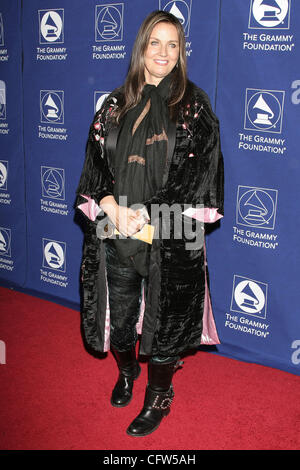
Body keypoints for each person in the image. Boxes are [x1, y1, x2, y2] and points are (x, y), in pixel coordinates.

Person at [76, 10, 224, 437]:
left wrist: (150, 215)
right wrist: (108, 202)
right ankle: (125, 372)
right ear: (141, 47)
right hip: (114, 228)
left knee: (165, 319)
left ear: (181, 53)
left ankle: (159, 394)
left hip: (170, 234)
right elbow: (95, 165)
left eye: (172, 44)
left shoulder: (194, 106)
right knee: (119, 314)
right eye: (154, 42)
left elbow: (200, 175)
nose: (163, 52)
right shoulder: (113, 104)